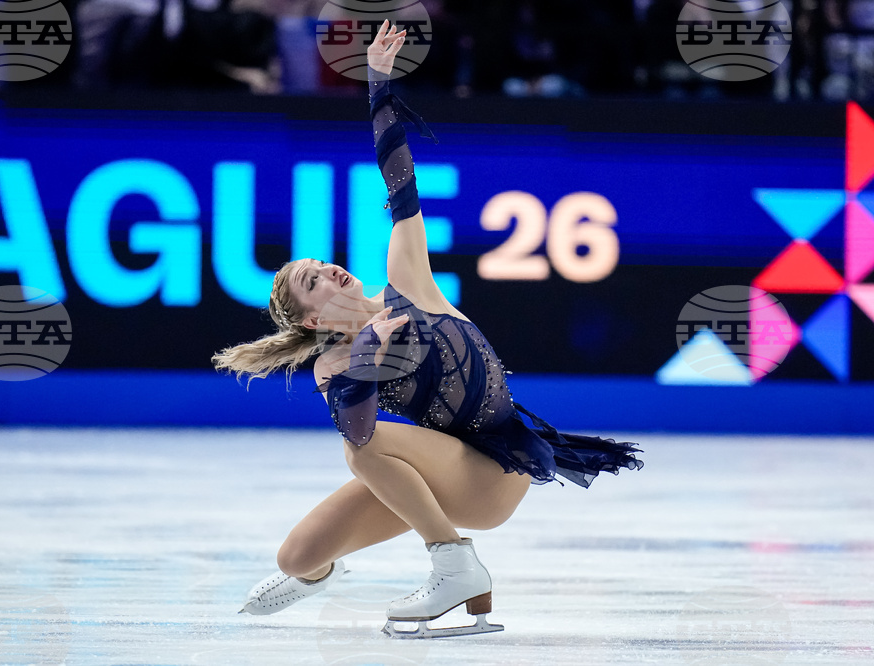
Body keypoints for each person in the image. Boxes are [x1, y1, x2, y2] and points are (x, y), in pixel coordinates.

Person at [212, 19, 643, 639]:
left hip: (493, 472)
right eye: (316, 280)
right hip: (439, 472)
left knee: (359, 454)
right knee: (296, 555)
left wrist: (378, 87)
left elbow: (401, 184)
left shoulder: (406, 279)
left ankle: (453, 564)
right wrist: (365, 355)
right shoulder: (331, 364)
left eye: (323, 264)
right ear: (311, 319)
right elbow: (357, 416)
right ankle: (321, 573)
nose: (331, 269)